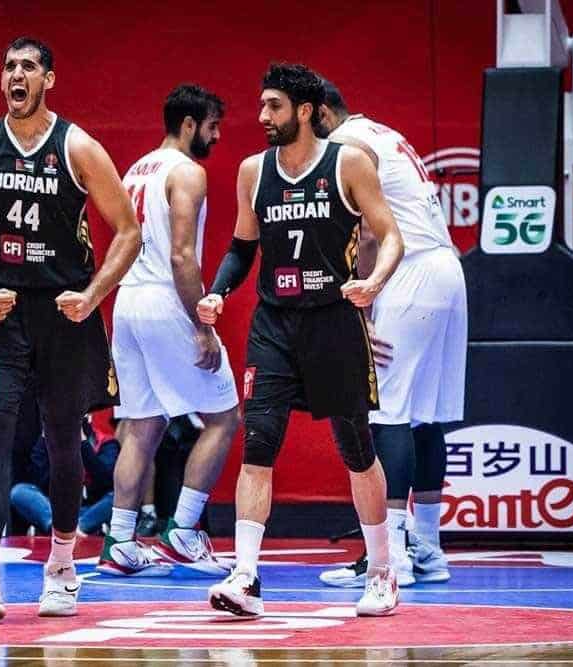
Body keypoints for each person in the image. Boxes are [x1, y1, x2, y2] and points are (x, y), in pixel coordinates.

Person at [0, 36, 141, 622]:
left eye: (27, 67)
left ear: (48, 79)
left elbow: (128, 231)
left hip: (63, 313)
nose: (15, 75)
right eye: (8, 67)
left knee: (61, 439)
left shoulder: (77, 147)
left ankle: (63, 566)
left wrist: (93, 295)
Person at [197, 64, 404, 617]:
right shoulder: (252, 171)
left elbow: (391, 236)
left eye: (274, 106)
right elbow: (242, 248)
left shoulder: (348, 163)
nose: (262, 116)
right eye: (262, 105)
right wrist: (217, 292)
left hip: (333, 320)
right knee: (258, 444)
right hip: (275, 324)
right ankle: (246, 578)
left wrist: (374, 282)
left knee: (356, 448)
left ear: (305, 111)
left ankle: (383, 572)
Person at [313, 78, 465, 589]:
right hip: (446, 269)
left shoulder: (344, 145)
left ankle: (392, 556)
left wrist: (362, 310)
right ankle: (429, 549)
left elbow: (369, 235)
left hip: (411, 271)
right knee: (424, 416)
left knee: (388, 413)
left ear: (323, 115)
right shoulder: (385, 133)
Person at [97, 84, 240, 577]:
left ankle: (119, 540)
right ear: (189, 124)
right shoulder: (187, 172)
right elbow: (182, 256)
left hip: (128, 302)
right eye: (212, 126)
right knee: (224, 417)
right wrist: (203, 326)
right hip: (163, 299)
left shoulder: (136, 170)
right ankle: (183, 530)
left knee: (144, 424)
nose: (216, 136)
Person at [11, 416, 119, 536]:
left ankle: (76, 528)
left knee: (117, 497)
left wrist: (83, 444)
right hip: (54, 510)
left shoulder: (107, 443)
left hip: (90, 510)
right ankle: (58, 527)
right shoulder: (49, 440)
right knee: (19, 491)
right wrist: (45, 440)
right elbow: (37, 479)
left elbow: (105, 479)